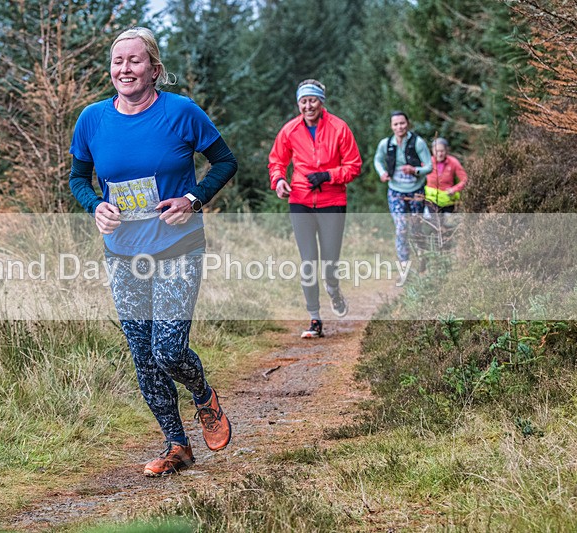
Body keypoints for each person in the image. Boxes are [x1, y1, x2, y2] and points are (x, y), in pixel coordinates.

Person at [68, 27, 236, 477]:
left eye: (135, 60)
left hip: (178, 245)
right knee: (143, 354)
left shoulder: (182, 113)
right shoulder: (92, 120)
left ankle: (202, 394)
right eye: (118, 61)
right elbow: (78, 179)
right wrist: (95, 206)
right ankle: (176, 445)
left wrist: (192, 200)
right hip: (123, 252)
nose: (125, 68)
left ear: (155, 69)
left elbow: (226, 161)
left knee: (167, 348)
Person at [268, 79, 362, 339]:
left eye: (313, 100)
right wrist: (279, 181)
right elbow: (276, 161)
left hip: (332, 201)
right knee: (308, 261)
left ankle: (333, 288)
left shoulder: (339, 128)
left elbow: (354, 165)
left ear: (321, 102)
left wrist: (328, 176)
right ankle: (314, 318)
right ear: (298, 103)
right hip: (300, 200)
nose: (308, 105)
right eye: (303, 101)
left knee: (329, 261)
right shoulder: (290, 130)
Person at [373, 111, 433, 264]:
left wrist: (415, 170)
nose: (399, 127)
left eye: (402, 123)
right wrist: (382, 173)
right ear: (391, 126)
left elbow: (429, 166)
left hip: (416, 190)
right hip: (395, 191)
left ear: (408, 124)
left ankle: (422, 258)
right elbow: (377, 160)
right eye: (396, 124)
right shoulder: (385, 144)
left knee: (416, 226)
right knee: (401, 227)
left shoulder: (418, 143)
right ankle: (404, 263)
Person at [425, 137, 467, 215]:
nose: (439, 154)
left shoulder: (453, 162)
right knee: (436, 222)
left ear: (446, 150)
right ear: (432, 151)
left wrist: (454, 189)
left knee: (448, 223)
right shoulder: (427, 162)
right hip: (431, 199)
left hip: (448, 199)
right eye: (437, 151)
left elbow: (465, 179)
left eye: (442, 151)